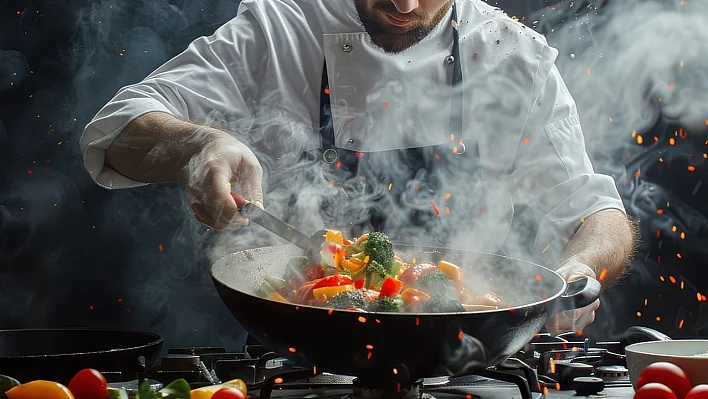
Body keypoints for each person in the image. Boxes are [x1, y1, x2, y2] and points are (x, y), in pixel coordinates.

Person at [79, 0, 637, 334]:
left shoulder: (514, 53)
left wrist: (582, 270)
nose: (404, 3)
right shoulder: (281, 27)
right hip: (305, 347)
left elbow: (596, 211)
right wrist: (199, 147)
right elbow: (118, 126)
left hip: (465, 358)